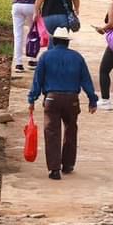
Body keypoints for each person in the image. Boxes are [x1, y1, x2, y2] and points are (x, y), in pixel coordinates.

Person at [28, 26, 98, 180]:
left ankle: (54, 170)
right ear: (67, 42)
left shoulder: (45, 57)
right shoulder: (77, 58)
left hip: (51, 99)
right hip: (72, 100)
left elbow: (37, 81)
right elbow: (86, 81)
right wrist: (93, 100)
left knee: (52, 133)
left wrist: (32, 99)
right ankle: (68, 164)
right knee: (70, 129)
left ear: (54, 41)